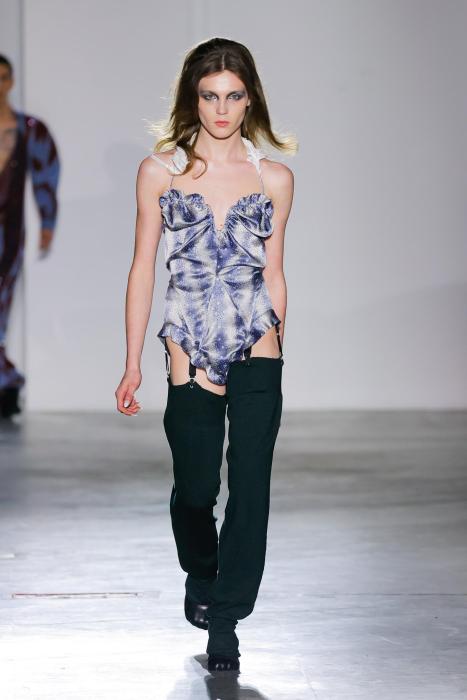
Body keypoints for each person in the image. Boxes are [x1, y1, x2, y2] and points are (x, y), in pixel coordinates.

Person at [115, 37, 296, 673]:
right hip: (186, 343)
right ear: (193, 99)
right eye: (210, 96)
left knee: (251, 485)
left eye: (233, 96)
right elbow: (143, 267)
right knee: (196, 489)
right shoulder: (160, 171)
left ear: (250, 100)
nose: (222, 109)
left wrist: (280, 342)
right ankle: (201, 569)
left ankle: (226, 620)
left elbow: (274, 272)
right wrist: (132, 362)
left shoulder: (274, 178)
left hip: (258, 342)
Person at [0, 54, 60, 418]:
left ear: (12, 81)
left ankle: (5, 381)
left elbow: (45, 176)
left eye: (3, 77)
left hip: (8, 233)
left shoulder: (30, 130)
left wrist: (48, 222)